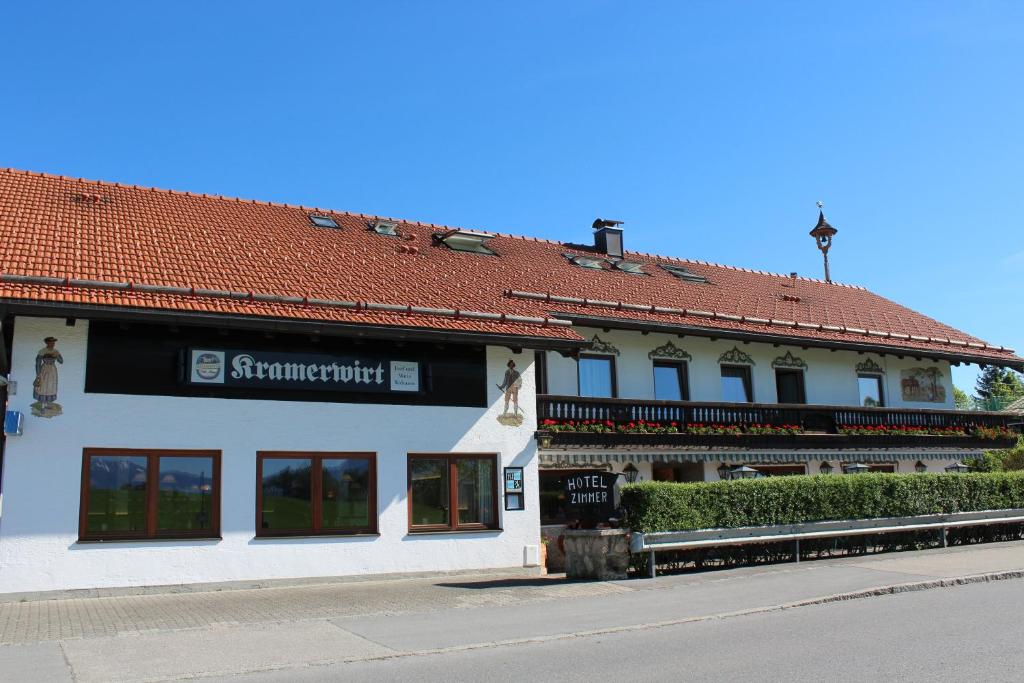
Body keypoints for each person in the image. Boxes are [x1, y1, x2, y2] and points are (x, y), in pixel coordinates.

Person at [33, 336, 63, 416]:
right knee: (43, 387)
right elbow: (38, 363)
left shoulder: (56, 351)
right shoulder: (42, 351)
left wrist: (56, 356)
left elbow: (61, 361)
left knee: (51, 387)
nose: (52, 344)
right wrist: (38, 374)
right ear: (47, 343)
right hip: (44, 370)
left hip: (52, 371)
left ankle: (47, 404)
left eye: (53, 342)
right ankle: (43, 406)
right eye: (51, 342)